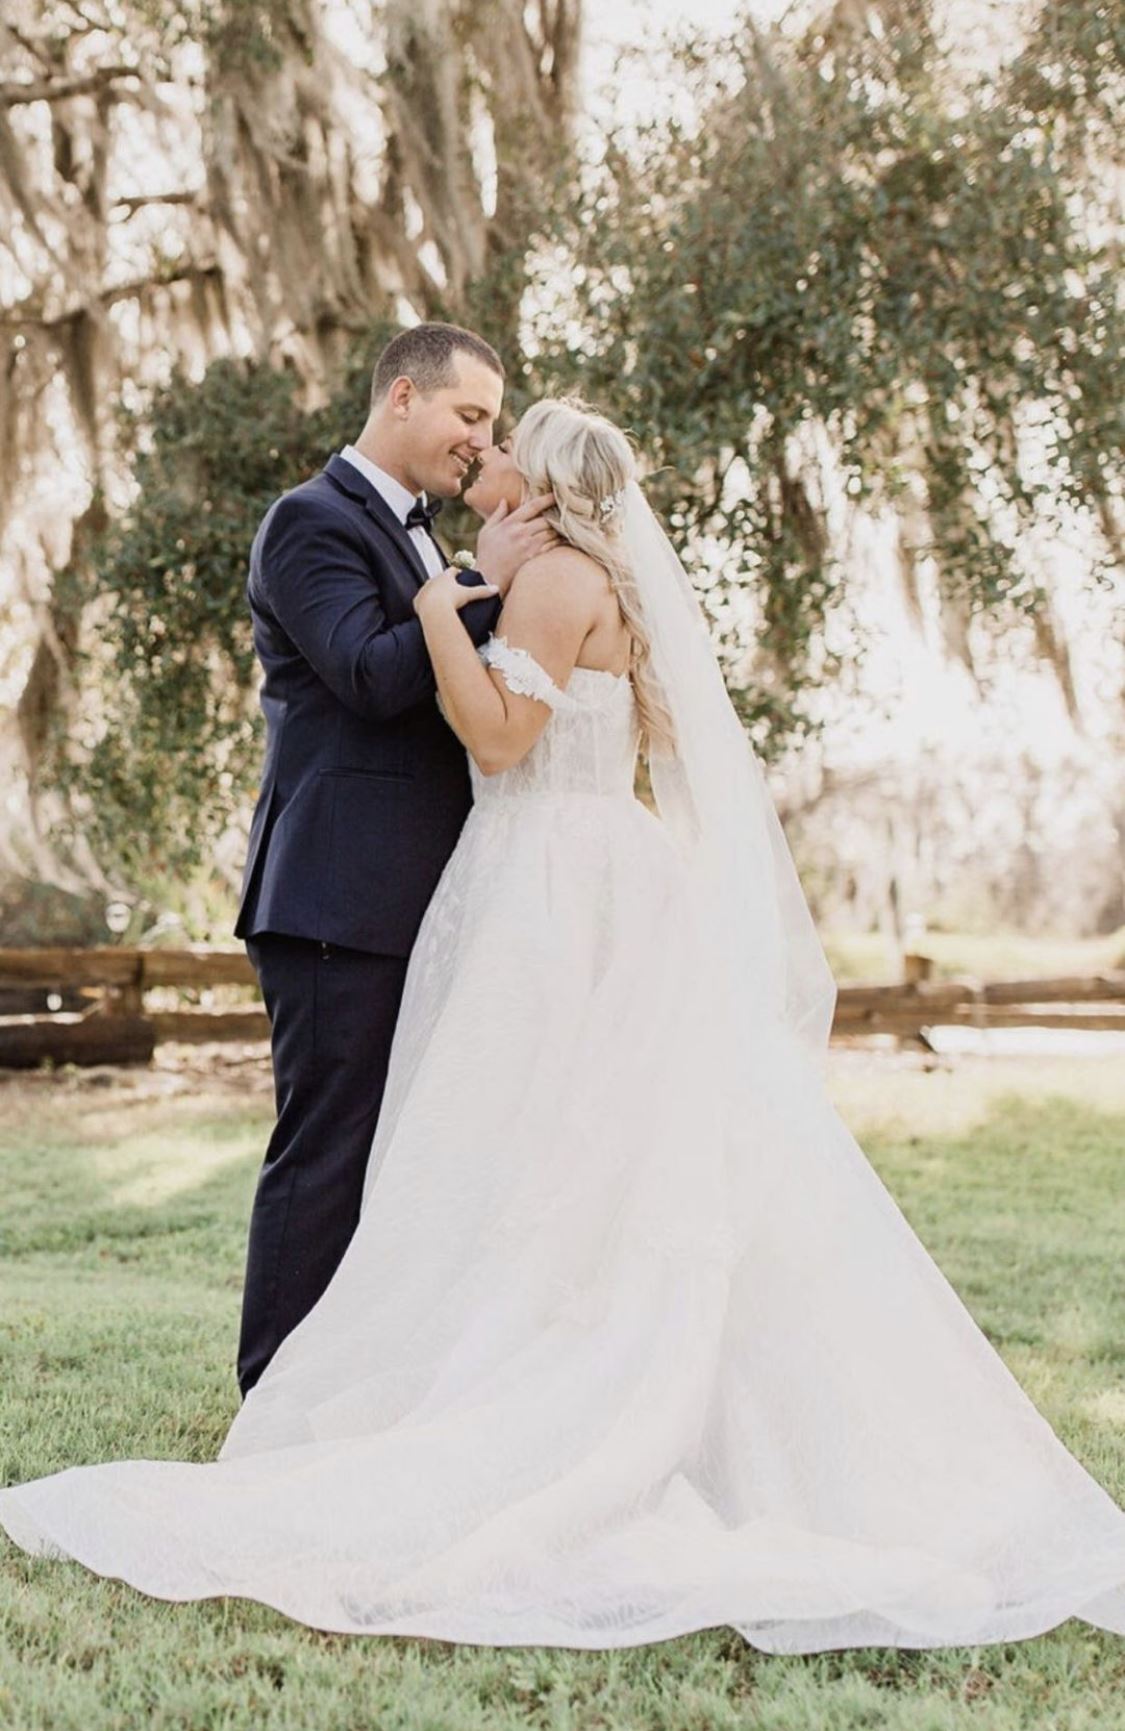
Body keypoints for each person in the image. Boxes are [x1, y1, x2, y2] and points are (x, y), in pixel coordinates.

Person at [2, 399, 1124, 1655]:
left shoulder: (552, 585)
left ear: (548, 484)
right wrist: (475, 578)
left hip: (547, 880)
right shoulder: (576, 577)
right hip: (593, 872)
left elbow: (494, 743)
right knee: (569, 1149)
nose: (489, 460)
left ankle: (513, 1391)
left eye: (506, 444)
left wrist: (436, 610)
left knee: (526, 1143)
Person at [229, 321, 555, 1396]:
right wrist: (480, 579)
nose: (480, 441)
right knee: (326, 1155)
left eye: (493, 426)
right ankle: (273, 1398)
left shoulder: (423, 537)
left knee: (405, 1159)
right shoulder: (308, 523)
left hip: (427, 897)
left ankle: (360, 1395)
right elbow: (370, 676)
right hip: (335, 899)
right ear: (404, 397)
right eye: (470, 416)